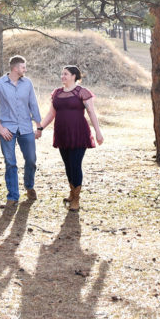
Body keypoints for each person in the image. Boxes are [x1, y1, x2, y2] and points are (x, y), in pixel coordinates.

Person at [37, 65, 103, 211]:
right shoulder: (57, 93)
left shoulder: (82, 92)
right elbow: (51, 114)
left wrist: (98, 132)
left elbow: (91, 112)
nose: (63, 76)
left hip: (78, 133)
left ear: (74, 76)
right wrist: (40, 127)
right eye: (62, 74)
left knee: (75, 164)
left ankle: (76, 200)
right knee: (67, 165)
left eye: (65, 74)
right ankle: (72, 193)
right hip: (62, 134)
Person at [0, 54, 43, 210]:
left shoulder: (28, 83)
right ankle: (12, 196)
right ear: (15, 68)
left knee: (31, 160)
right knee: (10, 162)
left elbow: (33, 104)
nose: (25, 69)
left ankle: (29, 186)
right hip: (8, 129)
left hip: (26, 128)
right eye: (23, 67)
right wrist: (0, 128)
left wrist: (38, 126)